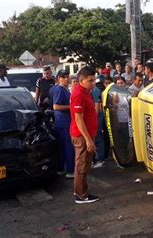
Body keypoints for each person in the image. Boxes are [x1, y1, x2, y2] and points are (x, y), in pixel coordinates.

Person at [70, 66, 99, 204]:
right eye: (90, 80)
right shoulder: (78, 95)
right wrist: (88, 140)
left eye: (94, 80)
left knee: (85, 164)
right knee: (81, 165)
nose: (93, 83)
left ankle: (82, 191)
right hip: (81, 136)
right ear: (81, 81)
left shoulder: (86, 92)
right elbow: (78, 119)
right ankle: (81, 195)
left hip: (86, 135)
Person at [53, 70, 75, 178]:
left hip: (65, 121)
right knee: (68, 147)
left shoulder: (65, 89)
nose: (66, 79)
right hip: (63, 122)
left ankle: (61, 168)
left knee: (62, 147)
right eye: (63, 77)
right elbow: (56, 106)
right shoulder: (59, 90)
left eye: (67, 77)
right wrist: (70, 107)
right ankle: (70, 170)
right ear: (59, 78)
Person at [91, 79, 106, 169]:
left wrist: (94, 120)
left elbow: (97, 107)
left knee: (98, 138)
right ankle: (96, 159)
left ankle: (100, 159)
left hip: (96, 118)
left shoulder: (95, 90)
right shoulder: (92, 90)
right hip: (94, 118)